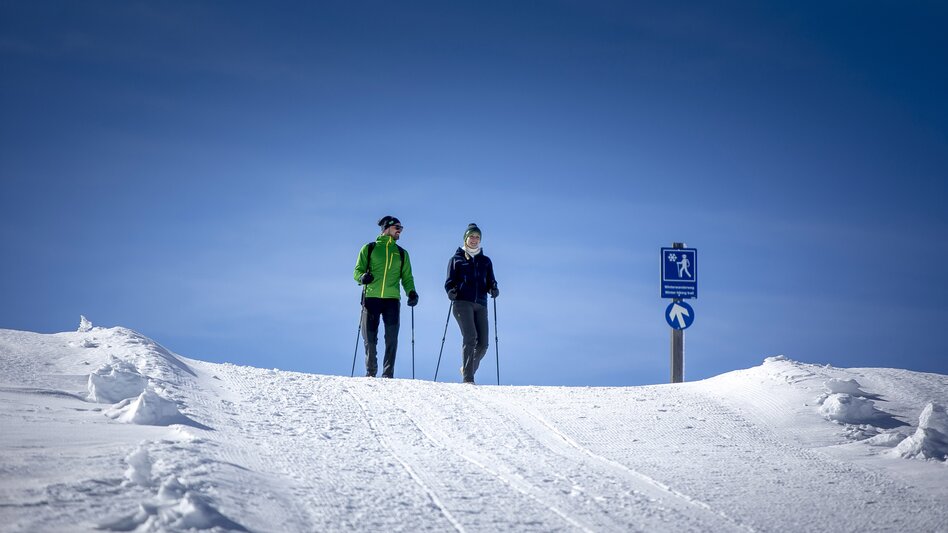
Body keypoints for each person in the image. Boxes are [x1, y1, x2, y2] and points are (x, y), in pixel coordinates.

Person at [353, 216, 418, 378]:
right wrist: (362, 278)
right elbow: (357, 271)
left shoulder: (402, 253)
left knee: (391, 338)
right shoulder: (369, 248)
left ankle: (388, 374)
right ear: (387, 228)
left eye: (401, 228)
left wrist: (411, 292)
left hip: (392, 300)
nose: (400, 231)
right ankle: (371, 372)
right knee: (370, 338)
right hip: (371, 298)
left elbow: (407, 277)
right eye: (397, 227)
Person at [444, 223, 499, 384]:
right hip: (462, 303)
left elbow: (491, 281)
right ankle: (468, 378)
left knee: (483, 344)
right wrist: (450, 291)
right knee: (470, 337)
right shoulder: (456, 259)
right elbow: (449, 282)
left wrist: (494, 288)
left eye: (477, 237)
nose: (474, 240)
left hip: (481, 304)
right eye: (471, 237)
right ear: (465, 238)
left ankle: (467, 368)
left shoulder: (486, 261)